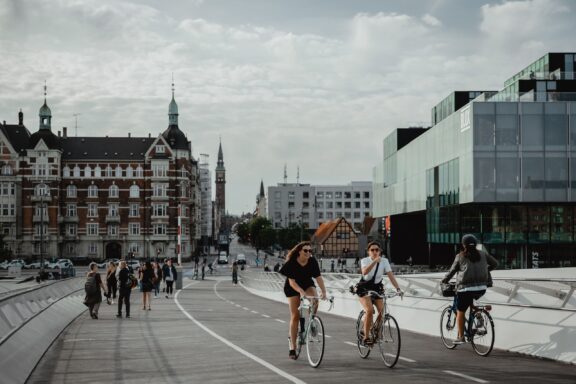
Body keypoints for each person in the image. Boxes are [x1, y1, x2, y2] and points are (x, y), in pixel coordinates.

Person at [442, 234, 498, 344]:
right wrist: (486, 270)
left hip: (465, 289)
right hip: (482, 288)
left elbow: (451, 272)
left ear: (463, 245)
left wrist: (444, 281)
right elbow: (495, 264)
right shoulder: (483, 254)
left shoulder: (460, 256)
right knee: (470, 300)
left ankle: (461, 337)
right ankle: (477, 314)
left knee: (460, 312)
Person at [279, 241, 327, 360]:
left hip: (307, 284)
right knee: (295, 315)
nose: (308, 253)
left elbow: (318, 277)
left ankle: (312, 320)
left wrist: (324, 291)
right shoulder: (291, 263)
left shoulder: (312, 261)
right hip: (293, 288)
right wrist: (301, 292)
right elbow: (292, 282)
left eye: (310, 251)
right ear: (299, 251)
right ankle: (292, 347)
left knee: (315, 300)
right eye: (305, 250)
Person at [356, 240, 402, 345]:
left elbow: (390, 275)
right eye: (372, 250)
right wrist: (374, 262)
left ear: (380, 251)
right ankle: (366, 337)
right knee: (369, 310)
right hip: (364, 288)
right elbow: (364, 272)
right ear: (368, 252)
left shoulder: (384, 261)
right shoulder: (365, 260)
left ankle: (376, 329)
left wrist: (398, 289)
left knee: (382, 311)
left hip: (377, 288)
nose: (375, 252)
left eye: (377, 250)